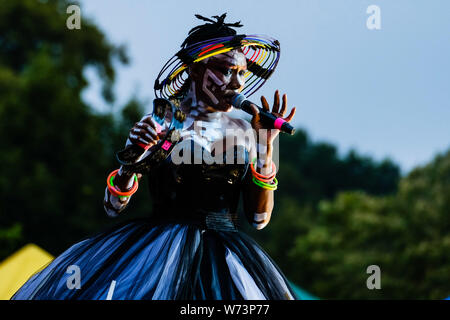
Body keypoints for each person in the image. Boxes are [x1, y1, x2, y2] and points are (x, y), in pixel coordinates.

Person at [12, 13, 297, 300]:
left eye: (241, 73)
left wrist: (265, 146)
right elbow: (113, 206)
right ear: (195, 71)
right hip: (162, 255)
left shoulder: (246, 130)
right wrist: (130, 163)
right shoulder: (161, 122)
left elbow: (259, 219)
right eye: (225, 71)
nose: (236, 84)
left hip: (229, 261)